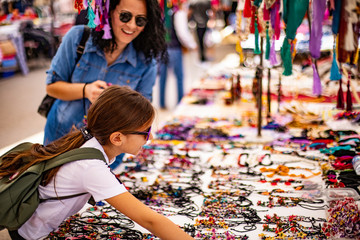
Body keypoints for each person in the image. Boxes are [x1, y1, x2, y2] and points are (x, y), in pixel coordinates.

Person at [1, 86, 194, 240]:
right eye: (145, 132)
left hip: (30, 224)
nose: (149, 137)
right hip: (33, 234)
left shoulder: (88, 139)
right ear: (117, 138)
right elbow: (150, 221)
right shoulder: (90, 167)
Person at [43, 0, 167, 168]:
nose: (131, 25)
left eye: (140, 20)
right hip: (60, 140)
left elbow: (141, 114)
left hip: (106, 153)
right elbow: (52, 87)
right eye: (125, 16)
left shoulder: (146, 62)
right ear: (109, 12)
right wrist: (86, 90)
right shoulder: (78, 38)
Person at [159, 1, 197, 109]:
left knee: (163, 77)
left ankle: (162, 103)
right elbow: (182, 33)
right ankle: (180, 103)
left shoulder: (164, 11)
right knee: (179, 77)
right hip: (174, 48)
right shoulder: (178, 13)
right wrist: (192, 45)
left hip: (163, 48)